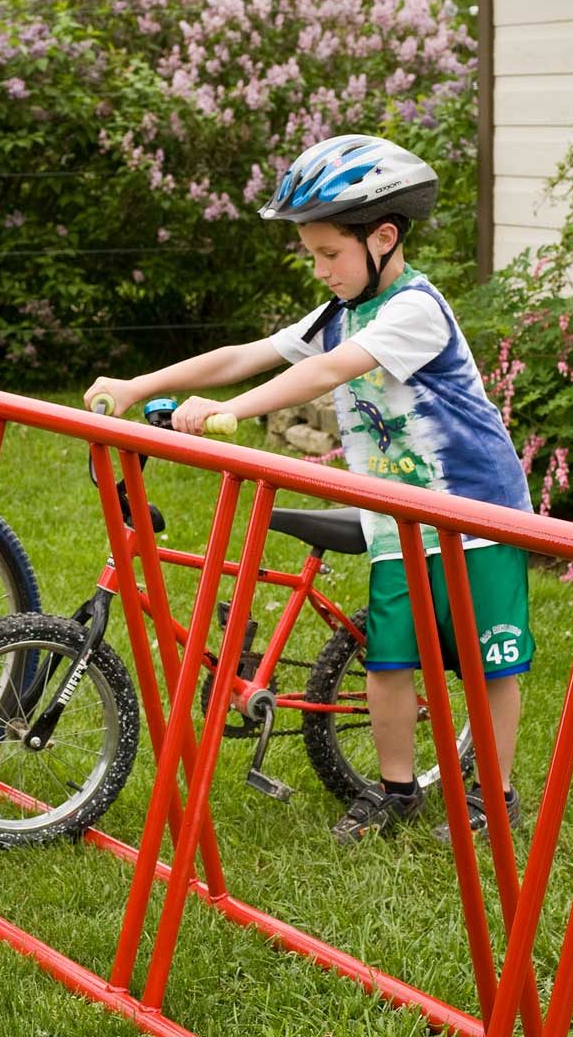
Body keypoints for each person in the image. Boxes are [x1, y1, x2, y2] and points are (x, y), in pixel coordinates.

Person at [84, 134, 535, 845]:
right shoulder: (338, 314)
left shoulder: (413, 310)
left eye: (330, 254)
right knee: (390, 661)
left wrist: (236, 411)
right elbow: (245, 354)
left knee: (486, 666)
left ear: (383, 238)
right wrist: (139, 384)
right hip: (399, 516)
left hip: (473, 513)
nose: (321, 270)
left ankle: (494, 796)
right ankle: (396, 793)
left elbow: (328, 373)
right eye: (312, 256)